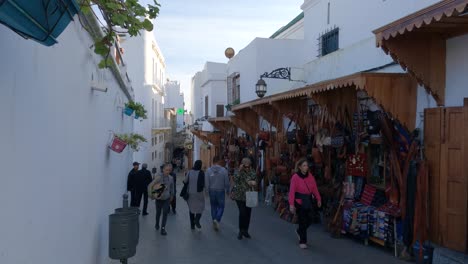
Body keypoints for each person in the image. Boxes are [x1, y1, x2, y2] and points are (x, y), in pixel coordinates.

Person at [289, 157, 322, 249]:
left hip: (308, 200)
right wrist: (291, 204)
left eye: (307, 165)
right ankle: (302, 241)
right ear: (299, 167)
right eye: (304, 165)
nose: (306, 167)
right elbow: (292, 191)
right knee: (302, 220)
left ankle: (300, 231)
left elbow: (315, 188)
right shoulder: (295, 177)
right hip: (299, 201)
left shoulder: (310, 176)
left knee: (311, 218)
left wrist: (318, 199)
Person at [231, 157, 257, 240]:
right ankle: (241, 230)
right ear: (242, 165)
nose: (247, 168)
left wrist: (253, 183)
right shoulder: (239, 171)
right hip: (239, 196)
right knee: (242, 213)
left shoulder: (252, 171)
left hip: (249, 195)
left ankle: (246, 230)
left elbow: (255, 180)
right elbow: (235, 179)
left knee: (248, 213)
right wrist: (239, 170)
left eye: (248, 166)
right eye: (245, 166)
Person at [148, 164, 174, 236]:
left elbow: (172, 187)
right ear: (163, 170)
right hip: (159, 199)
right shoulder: (158, 177)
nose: (168, 171)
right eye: (166, 170)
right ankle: (157, 223)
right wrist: (152, 196)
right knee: (158, 213)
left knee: (165, 213)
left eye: (169, 170)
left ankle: (163, 228)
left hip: (167, 199)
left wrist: (172, 195)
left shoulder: (171, 178)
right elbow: (150, 185)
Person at [206, 156, 230, 231]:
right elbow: (226, 181)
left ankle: (214, 220)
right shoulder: (224, 170)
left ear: (213, 161)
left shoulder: (208, 170)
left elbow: (206, 182)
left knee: (213, 206)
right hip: (220, 191)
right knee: (221, 206)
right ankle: (217, 219)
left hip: (212, 191)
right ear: (219, 161)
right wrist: (228, 190)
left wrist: (206, 191)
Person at [184, 160, 205, 230]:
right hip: (199, 194)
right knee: (201, 207)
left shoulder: (189, 172)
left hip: (190, 193)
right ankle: (197, 219)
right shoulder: (202, 173)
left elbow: (185, 181)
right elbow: (204, 184)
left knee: (191, 209)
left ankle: (192, 225)